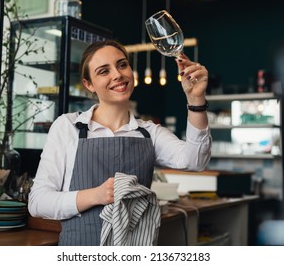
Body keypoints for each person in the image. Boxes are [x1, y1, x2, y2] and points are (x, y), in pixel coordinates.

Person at [28, 39, 212, 245]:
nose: (117, 74)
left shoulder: (150, 133)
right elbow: (38, 202)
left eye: (122, 64)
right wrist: (95, 195)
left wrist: (196, 100)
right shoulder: (68, 127)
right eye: (103, 71)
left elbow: (195, 161)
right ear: (89, 84)